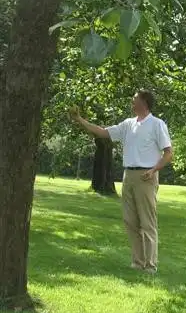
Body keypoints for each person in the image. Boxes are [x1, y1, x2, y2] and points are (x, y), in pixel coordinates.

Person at [69, 90, 173, 274]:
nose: (132, 102)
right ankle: (137, 262)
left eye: (134, 100)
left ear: (144, 102)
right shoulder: (128, 124)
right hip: (128, 176)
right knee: (130, 221)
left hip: (146, 176)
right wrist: (79, 120)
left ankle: (150, 266)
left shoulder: (157, 124)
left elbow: (168, 153)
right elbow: (102, 132)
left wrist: (153, 170)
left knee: (147, 222)